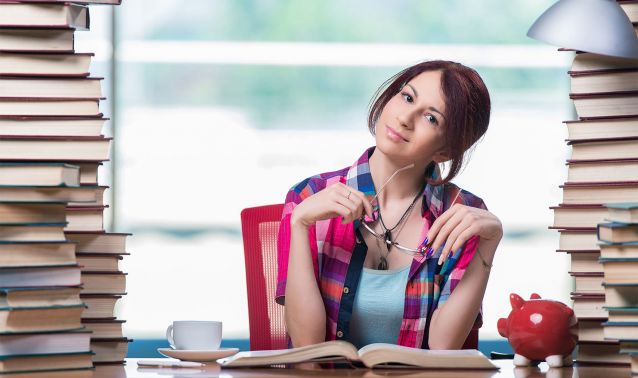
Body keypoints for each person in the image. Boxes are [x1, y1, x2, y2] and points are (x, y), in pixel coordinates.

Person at [275, 60, 503, 350]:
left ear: (446, 150)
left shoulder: (461, 213)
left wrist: (489, 242)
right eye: (407, 97)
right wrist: (299, 223)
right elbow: (306, 346)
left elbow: (443, 348)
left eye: (431, 118)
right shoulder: (308, 195)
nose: (405, 118)